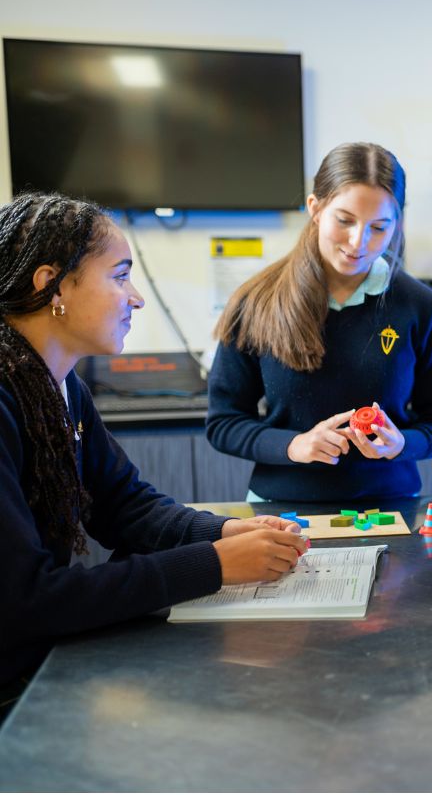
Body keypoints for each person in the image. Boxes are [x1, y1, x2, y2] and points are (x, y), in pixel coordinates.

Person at [0, 192, 308, 702]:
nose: (136, 297)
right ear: (50, 283)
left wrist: (228, 531)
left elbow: (124, 506)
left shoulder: (60, 386)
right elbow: (27, 599)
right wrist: (215, 563)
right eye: (119, 276)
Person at [207, 142, 432, 502]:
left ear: (398, 224)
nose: (359, 242)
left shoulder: (419, 306)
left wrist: (403, 443)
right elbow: (223, 424)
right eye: (344, 220)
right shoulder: (257, 301)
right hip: (281, 511)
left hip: (391, 508)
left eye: (379, 227)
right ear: (315, 209)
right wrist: (294, 445)